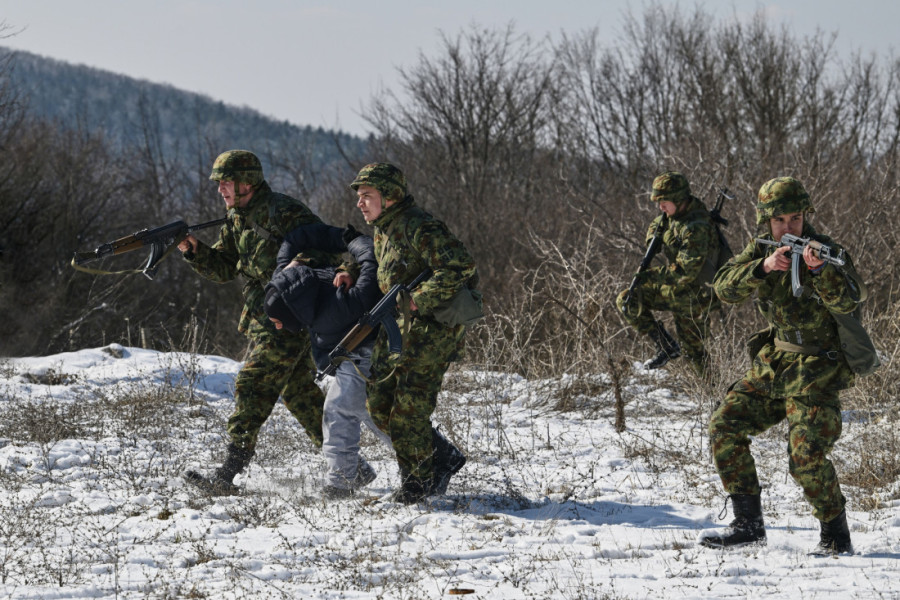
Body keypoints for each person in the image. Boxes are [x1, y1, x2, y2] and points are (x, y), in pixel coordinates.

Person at [700, 176, 859, 555]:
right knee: (725, 424)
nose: (789, 228)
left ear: (806, 216)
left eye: (796, 218)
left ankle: (836, 536)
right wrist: (763, 267)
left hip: (818, 366)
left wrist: (821, 272)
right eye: (780, 221)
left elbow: (850, 301)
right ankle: (748, 524)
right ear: (766, 222)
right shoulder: (762, 250)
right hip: (776, 364)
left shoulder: (826, 251)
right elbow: (722, 287)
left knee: (804, 456)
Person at [180, 149, 339, 495]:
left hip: (291, 315)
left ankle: (229, 475)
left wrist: (297, 265)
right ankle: (347, 466)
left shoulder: (283, 210)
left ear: (246, 182)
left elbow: (326, 248)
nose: (220, 189)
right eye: (219, 183)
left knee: (252, 384)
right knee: (297, 391)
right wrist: (193, 249)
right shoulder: (237, 217)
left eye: (226, 182)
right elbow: (224, 267)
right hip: (264, 317)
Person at [350, 162, 474, 504]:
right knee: (379, 405)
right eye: (359, 197)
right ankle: (443, 456)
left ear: (389, 196)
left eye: (367, 196)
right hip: (398, 329)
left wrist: (418, 301)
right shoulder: (382, 229)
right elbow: (382, 265)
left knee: (408, 411)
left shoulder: (420, 226)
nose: (360, 203)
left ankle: (417, 485)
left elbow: (460, 266)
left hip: (431, 333)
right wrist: (348, 270)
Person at [263, 223, 394, 499]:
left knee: (340, 413)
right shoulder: (287, 281)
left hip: (362, 354)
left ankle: (342, 482)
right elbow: (293, 238)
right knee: (373, 415)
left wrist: (353, 240)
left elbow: (369, 258)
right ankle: (433, 458)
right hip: (350, 356)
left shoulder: (346, 302)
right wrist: (339, 238)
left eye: (277, 322)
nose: (277, 328)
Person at [615, 171, 721, 376]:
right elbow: (657, 226)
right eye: (658, 201)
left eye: (664, 201)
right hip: (678, 289)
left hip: (696, 296)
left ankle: (713, 394)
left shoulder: (696, 227)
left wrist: (648, 276)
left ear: (679, 199)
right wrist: (653, 239)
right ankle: (665, 345)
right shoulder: (672, 217)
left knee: (694, 354)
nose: (660, 206)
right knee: (628, 299)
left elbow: (685, 272)